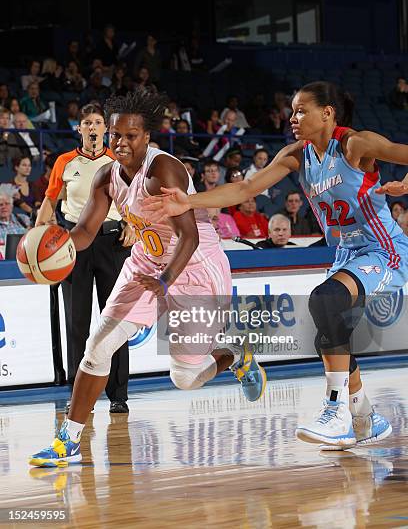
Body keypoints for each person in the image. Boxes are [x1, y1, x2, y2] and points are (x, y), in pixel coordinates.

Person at [144, 80, 408, 450]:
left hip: (384, 250)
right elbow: (244, 190)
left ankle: (336, 412)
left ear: (327, 113)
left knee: (325, 301)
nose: (293, 117)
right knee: (328, 329)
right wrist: (187, 201)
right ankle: (365, 414)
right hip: (348, 254)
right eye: (292, 110)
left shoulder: (354, 144)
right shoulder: (297, 155)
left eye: (302, 110)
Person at [29, 88, 266, 468]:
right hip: (146, 261)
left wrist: (168, 280)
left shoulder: (163, 170)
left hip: (194, 268)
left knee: (186, 378)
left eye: (130, 136)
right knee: (99, 345)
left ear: (147, 137)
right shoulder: (106, 175)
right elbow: (86, 230)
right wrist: (55, 252)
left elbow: (188, 236)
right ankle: (68, 440)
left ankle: (234, 355)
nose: (120, 143)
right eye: (115, 135)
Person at [35, 102, 135, 416]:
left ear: (106, 129)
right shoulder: (64, 161)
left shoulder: (119, 160)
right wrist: (39, 232)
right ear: (79, 129)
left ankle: (118, 394)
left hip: (112, 241)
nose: (92, 128)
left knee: (115, 320)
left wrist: (132, 224)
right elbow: (50, 201)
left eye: (97, 123)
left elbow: (134, 197)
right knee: (77, 322)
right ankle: (80, 397)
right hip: (72, 243)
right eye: (87, 123)